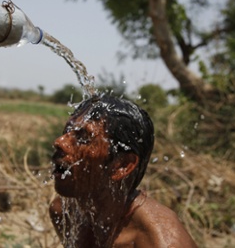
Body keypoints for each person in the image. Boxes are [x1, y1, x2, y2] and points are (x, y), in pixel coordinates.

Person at [49, 93, 197, 247]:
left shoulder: (161, 241)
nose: (59, 142)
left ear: (122, 166)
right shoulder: (65, 212)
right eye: (68, 130)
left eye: (84, 137)